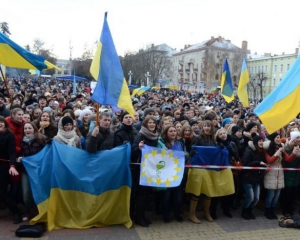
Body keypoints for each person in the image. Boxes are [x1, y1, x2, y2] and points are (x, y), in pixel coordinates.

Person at [185, 120, 216, 224]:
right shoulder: (198, 138)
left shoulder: (214, 139)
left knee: (208, 191)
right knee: (196, 191)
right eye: (205, 126)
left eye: (209, 126)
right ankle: (191, 214)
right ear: (202, 127)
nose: (207, 128)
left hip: (209, 168)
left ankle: (206, 213)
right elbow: (191, 152)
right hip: (198, 168)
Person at [131, 116, 159, 227]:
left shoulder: (155, 136)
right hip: (140, 170)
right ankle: (138, 217)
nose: (152, 125)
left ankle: (142, 216)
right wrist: (138, 148)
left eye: (154, 123)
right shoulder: (140, 136)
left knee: (147, 194)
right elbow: (133, 153)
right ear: (145, 125)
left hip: (150, 169)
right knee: (141, 195)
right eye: (150, 123)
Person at [264, 131, 298, 219]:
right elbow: (270, 161)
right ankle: (267, 211)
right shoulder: (267, 150)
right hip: (271, 173)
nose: (279, 139)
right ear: (272, 139)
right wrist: (278, 152)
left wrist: (294, 152)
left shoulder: (281, 148)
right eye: (277, 138)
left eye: (279, 137)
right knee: (271, 195)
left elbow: (288, 159)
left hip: (280, 173)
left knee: (277, 195)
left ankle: (272, 210)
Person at [18, 122, 48, 220]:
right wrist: (20, 158)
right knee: (26, 193)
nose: (27, 130)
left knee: (40, 191)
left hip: (39, 171)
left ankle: (41, 211)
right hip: (26, 170)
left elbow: (48, 150)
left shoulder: (41, 139)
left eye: (29, 128)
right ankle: (29, 211)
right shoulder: (21, 142)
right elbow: (20, 153)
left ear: (34, 129)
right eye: (25, 129)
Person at [157, 126, 186, 223]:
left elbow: (186, 152)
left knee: (178, 197)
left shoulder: (181, 142)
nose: (173, 133)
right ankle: (165, 215)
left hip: (177, 172)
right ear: (166, 132)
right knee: (166, 197)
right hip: (166, 173)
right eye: (171, 131)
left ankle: (177, 214)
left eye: (174, 131)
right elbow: (157, 155)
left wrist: (186, 154)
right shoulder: (161, 142)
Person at [210, 128, 239, 219]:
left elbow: (237, 156)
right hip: (217, 170)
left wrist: (230, 148)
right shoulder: (215, 144)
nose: (223, 135)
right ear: (217, 136)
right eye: (220, 134)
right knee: (216, 191)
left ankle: (226, 210)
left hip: (227, 169)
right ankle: (213, 211)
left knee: (227, 191)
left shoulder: (232, 143)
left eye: (224, 133)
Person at [0, 116, 22, 223]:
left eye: (1, 122)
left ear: (5, 123)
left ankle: (16, 212)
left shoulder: (9, 135)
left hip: (4, 165)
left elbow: (12, 152)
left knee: (2, 192)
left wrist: (12, 166)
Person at [241, 133, 267, 220]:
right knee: (250, 197)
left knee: (256, 198)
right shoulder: (248, 151)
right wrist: (258, 163)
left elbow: (263, 163)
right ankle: (244, 211)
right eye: (259, 141)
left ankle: (249, 211)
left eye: (262, 141)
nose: (261, 142)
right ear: (255, 142)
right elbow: (246, 165)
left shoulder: (261, 152)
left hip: (257, 178)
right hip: (248, 178)